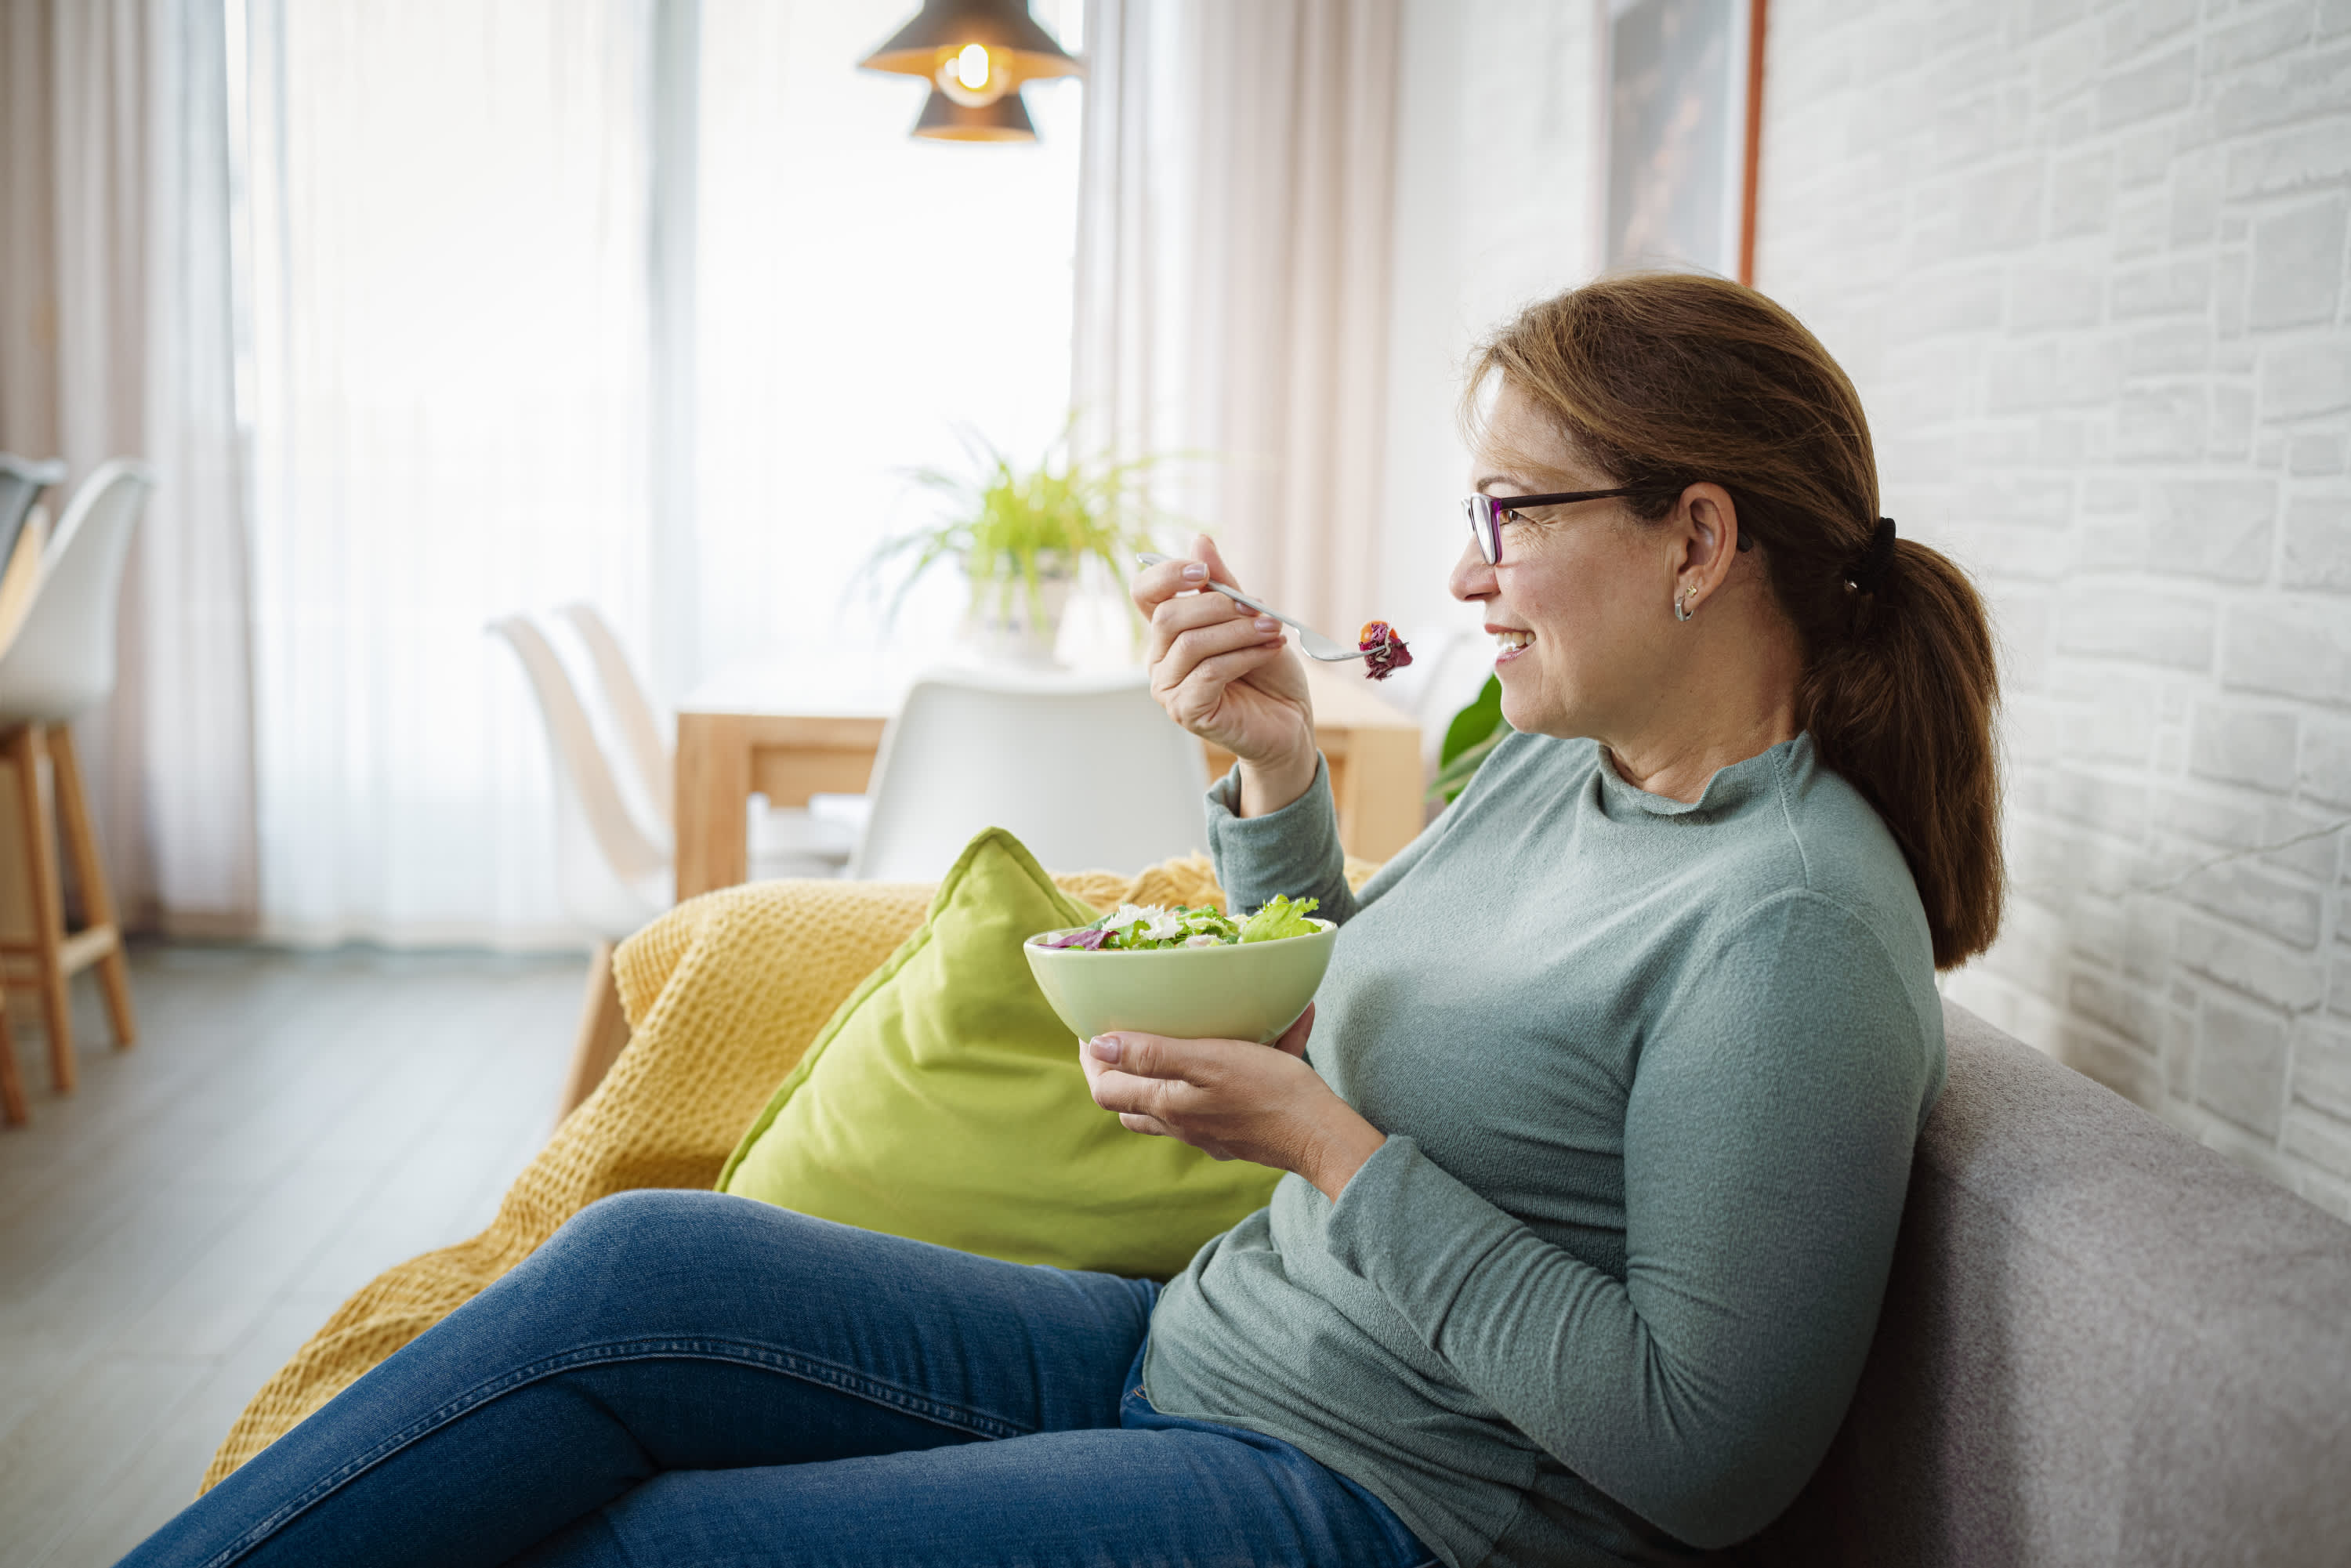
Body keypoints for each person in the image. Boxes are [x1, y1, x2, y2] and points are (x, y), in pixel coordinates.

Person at [119, 272, 1999, 1568]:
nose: (1464, 571)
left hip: (1386, 1500)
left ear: (1698, 537)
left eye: (1511, 512)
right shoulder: (1546, 765)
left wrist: (1327, 1150)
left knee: (614, 1543)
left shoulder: (1791, 927)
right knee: (636, 1267)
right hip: (1199, 1343)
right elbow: (1341, 1001)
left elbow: (1710, 1449)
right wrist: (1268, 774)